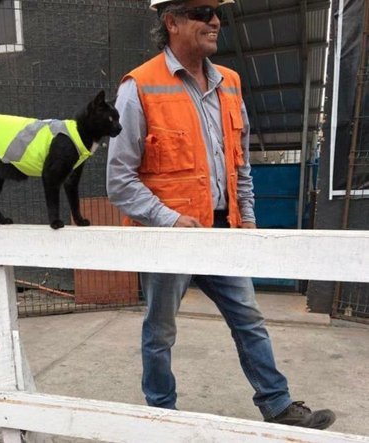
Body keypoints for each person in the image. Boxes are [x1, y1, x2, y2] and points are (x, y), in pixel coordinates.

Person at [106, 0, 336, 430]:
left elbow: (239, 163)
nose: (214, 20)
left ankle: (278, 405)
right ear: (171, 21)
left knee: (249, 319)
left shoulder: (230, 83)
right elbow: (119, 180)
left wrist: (247, 216)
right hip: (170, 237)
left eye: (217, 13)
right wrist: (169, 218)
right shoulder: (140, 86)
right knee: (160, 331)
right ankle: (161, 414)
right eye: (202, 12)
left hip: (222, 230)